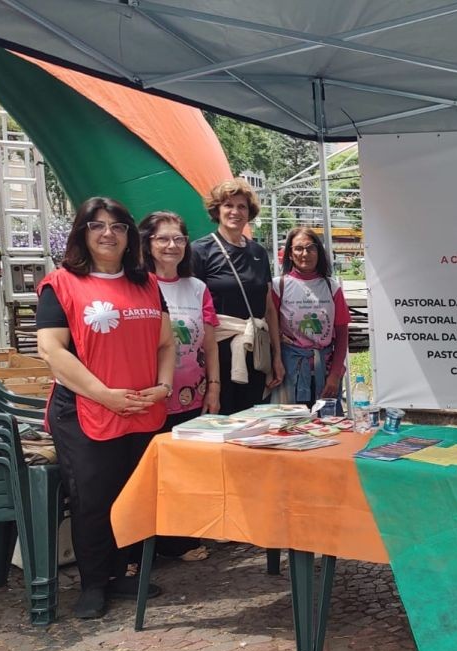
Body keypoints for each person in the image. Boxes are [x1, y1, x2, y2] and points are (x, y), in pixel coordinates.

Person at [36, 197, 175, 619]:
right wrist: (104, 394)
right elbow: (51, 350)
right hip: (84, 411)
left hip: (139, 408)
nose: (108, 233)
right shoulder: (60, 284)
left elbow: (166, 342)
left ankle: (121, 572)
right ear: (83, 232)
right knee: (93, 499)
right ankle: (93, 583)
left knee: (130, 494)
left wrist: (164, 385)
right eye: (97, 225)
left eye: (117, 226)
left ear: (130, 235)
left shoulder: (147, 283)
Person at [139, 210, 219, 562]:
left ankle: (179, 540)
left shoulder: (197, 287)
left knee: (185, 472)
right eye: (163, 238)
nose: (172, 246)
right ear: (148, 244)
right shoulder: (137, 285)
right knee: (146, 472)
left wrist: (214, 387)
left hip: (191, 395)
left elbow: (210, 343)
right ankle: (140, 547)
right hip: (149, 396)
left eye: (179, 239)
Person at [190, 178, 283, 414]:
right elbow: (194, 308)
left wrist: (277, 356)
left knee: (252, 417)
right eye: (228, 205)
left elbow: (269, 307)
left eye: (241, 206)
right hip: (217, 350)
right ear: (217, 210)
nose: (235, 212)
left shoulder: (258, 253)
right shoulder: (200, 251)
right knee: (219, 417)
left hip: (255, 348)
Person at [270, 227, 351, 407]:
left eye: (310, 248)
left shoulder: (332, 287)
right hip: (291, 372)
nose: (305, 254)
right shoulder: (278, 286)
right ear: (290, 254)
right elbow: (271, 329)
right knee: (291, 427)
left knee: (327, 427)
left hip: (326, 370)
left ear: (318, 252)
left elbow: (342, 332)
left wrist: (335, 374)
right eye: (298, 248)